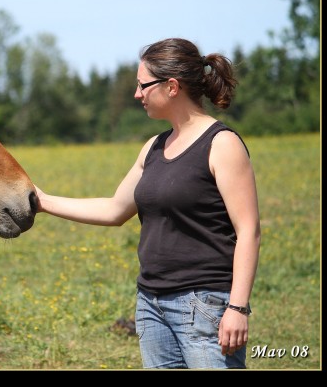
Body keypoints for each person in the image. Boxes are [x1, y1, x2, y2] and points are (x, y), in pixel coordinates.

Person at [35, 38, 261, 369]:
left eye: (142, 85)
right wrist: (41, 200)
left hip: (204, 306)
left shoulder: (221, 145)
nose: (136, 94)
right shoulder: (153, 147)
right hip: (151, 304)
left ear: (172, 87)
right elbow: (114, 210)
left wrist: (238, 308)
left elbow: (249, 231)